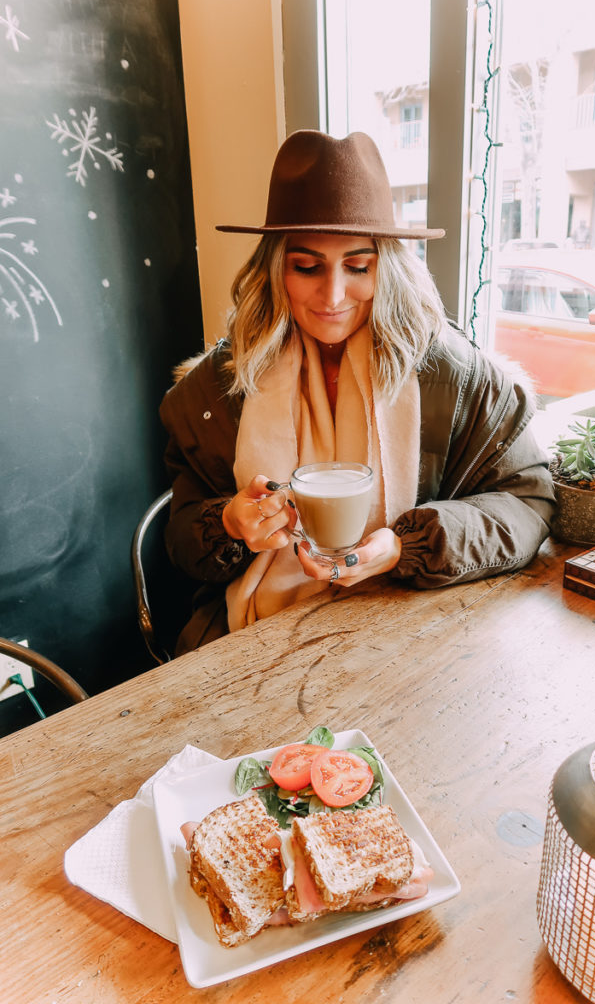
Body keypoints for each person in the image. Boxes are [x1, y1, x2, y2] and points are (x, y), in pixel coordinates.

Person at [160, 130, 555, 652]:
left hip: (408, 626)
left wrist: (405, 547)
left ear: (386, 266)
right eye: (307, 267)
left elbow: (527, 503)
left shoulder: (456, 377)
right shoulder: (216, 388)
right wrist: (229, 523)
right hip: (251, 640)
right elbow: (181, 535)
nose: (333, 295)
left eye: (358, 266)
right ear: (275, 268)